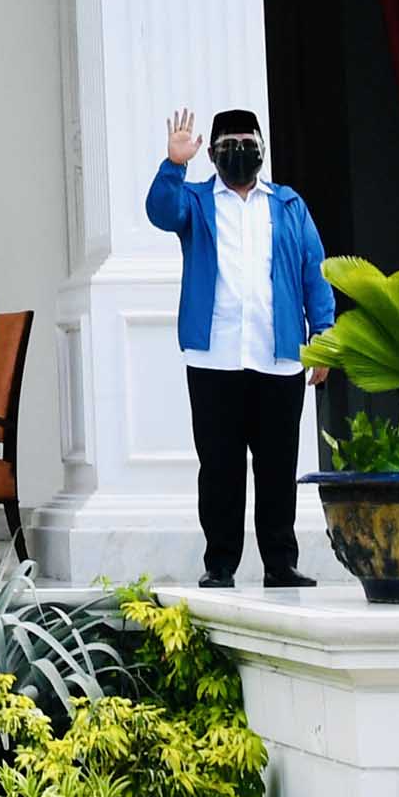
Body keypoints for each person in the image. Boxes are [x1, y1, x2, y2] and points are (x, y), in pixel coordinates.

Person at [145, 104, 337, 590]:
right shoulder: (195, 201)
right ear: (212, 153)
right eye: (229, 147)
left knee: (277, 464)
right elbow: (159, 212)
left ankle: (280, 562)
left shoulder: (288, 204)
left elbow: (314, 270)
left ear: (262, 150)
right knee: (220, 467)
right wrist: (174, 164)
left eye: (248, 146)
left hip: (278, 356)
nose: (240, 154)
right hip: (215, 356)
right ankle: (221, 563)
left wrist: (325, 333)